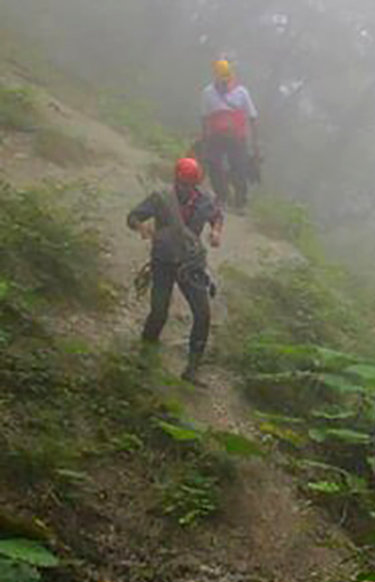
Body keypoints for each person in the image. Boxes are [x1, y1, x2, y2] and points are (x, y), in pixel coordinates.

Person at [127, 157, 223, 385]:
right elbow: (132, 216)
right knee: (159, 310)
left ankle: (192, 368)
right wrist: (142, 227)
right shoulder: (161, 198)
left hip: (191, 263)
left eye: (190, 183)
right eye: (183, 183)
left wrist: (216, 232)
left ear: (196, 183)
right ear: (176, 179)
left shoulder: (205, 201)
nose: (186, 187)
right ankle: (145, 355)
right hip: (163, 261)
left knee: (203, 314)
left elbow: (217, 216)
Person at [200, 59, 259, 210]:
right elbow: (205, 117)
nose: (225, 84)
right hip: (216, 136)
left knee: (239, 168)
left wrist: (255, 143)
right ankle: (222, 196)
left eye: (227, 80)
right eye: (222, 81)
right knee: (213, 164)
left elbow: (252, 117)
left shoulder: (242, 93)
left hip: (237, 137)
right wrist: (204, 137)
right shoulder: (208, 93)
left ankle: (240, 203)